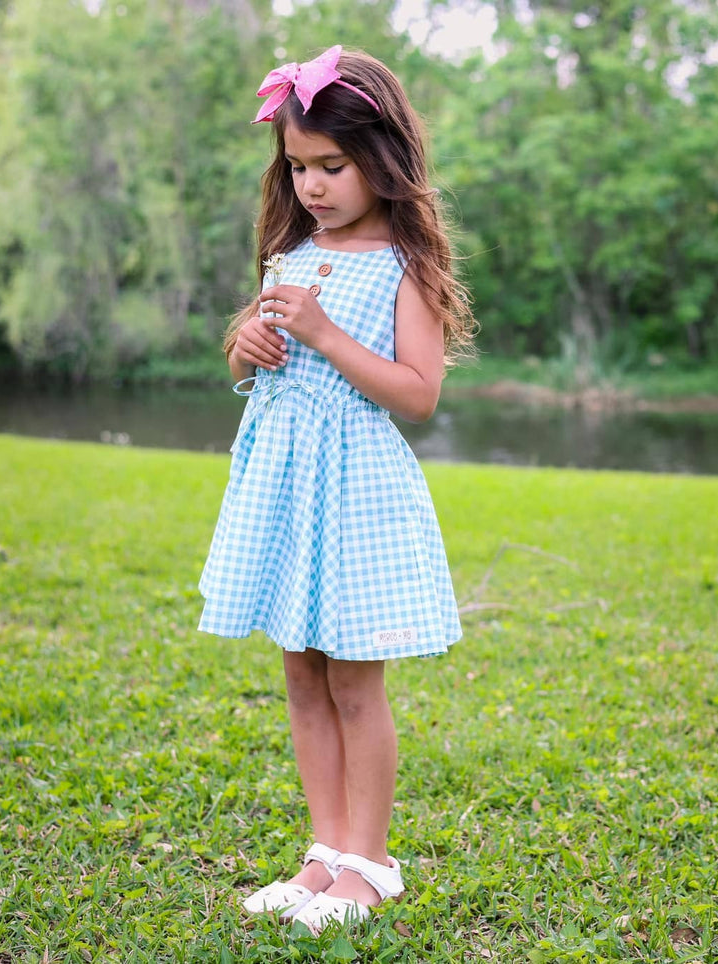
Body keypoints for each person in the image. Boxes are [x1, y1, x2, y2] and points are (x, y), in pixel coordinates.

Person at [195, 44, 475, 934]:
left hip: (354, 489)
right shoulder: (292, 252)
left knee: (355, 682)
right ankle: (324, 855)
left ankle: (371, 863)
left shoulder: (404, 265)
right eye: (297, 166)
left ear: (380, 158)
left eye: (331, 165)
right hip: (284, 485)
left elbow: (417, 393)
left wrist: (319, 334)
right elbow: (261, 368)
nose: (311, 184)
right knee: (300, 673)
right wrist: (248, 348)